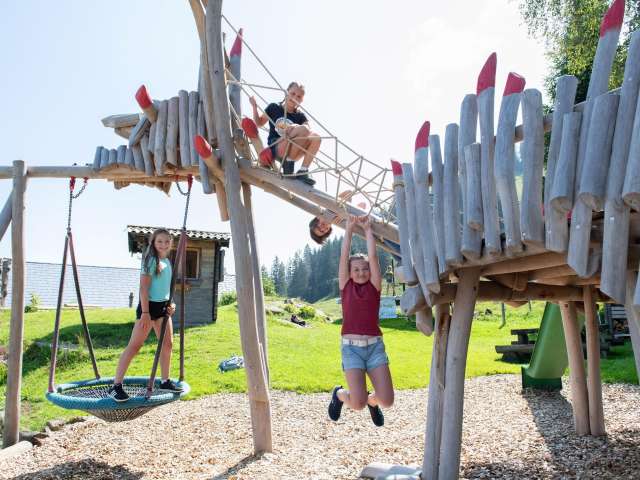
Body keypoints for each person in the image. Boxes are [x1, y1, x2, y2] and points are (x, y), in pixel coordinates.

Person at [328, 215, 394, 427]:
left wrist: (367, 230)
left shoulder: (375, 286)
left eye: (365, 269)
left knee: (387, 401)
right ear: (349, 273)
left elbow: (373, 257)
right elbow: (343, 257)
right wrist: (348, 230)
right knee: (357, 403)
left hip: (375, 348)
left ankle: (372, 403)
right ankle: (339, 394)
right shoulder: (346, 286)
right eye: (356, 269)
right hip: (351, 350)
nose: (361, 272)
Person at [108, 228, 183, 402]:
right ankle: (116, 386)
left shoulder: (167, 262)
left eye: (167, 241)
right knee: (134, 346)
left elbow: (166, 289)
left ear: (171, 243)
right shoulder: (150, 261)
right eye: (160, 241)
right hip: (148, 308)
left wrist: (171, 304)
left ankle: (165, 381)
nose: (163, 244)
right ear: (153, 243)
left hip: (163, 308)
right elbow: (143, 288)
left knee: (167, 345)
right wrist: (146, 313)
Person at [249, 82, 321, 186]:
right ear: (287, 93)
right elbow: (259, 123)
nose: (295, 97)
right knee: (303, 130)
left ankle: (303, 170)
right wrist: (254, 107)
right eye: (292, 94)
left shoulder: (300, 116)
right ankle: (284, 160)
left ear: (301, 100)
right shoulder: (274, 107)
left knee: (316, 137)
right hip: (277, 146)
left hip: (292, 151)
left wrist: (294, 127)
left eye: (299, 96)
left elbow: (308, 129)